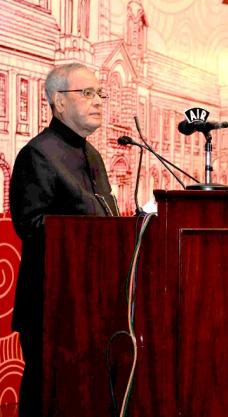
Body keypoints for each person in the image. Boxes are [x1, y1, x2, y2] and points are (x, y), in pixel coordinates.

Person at [9, 63, 118, 417]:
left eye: (100, 93)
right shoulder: (38, 154)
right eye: (87, 93)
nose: (98, 101)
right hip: (53, 304)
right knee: (50, 397)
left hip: (95, 302)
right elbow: (32, 225)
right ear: (58, 102)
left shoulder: (94, 157)